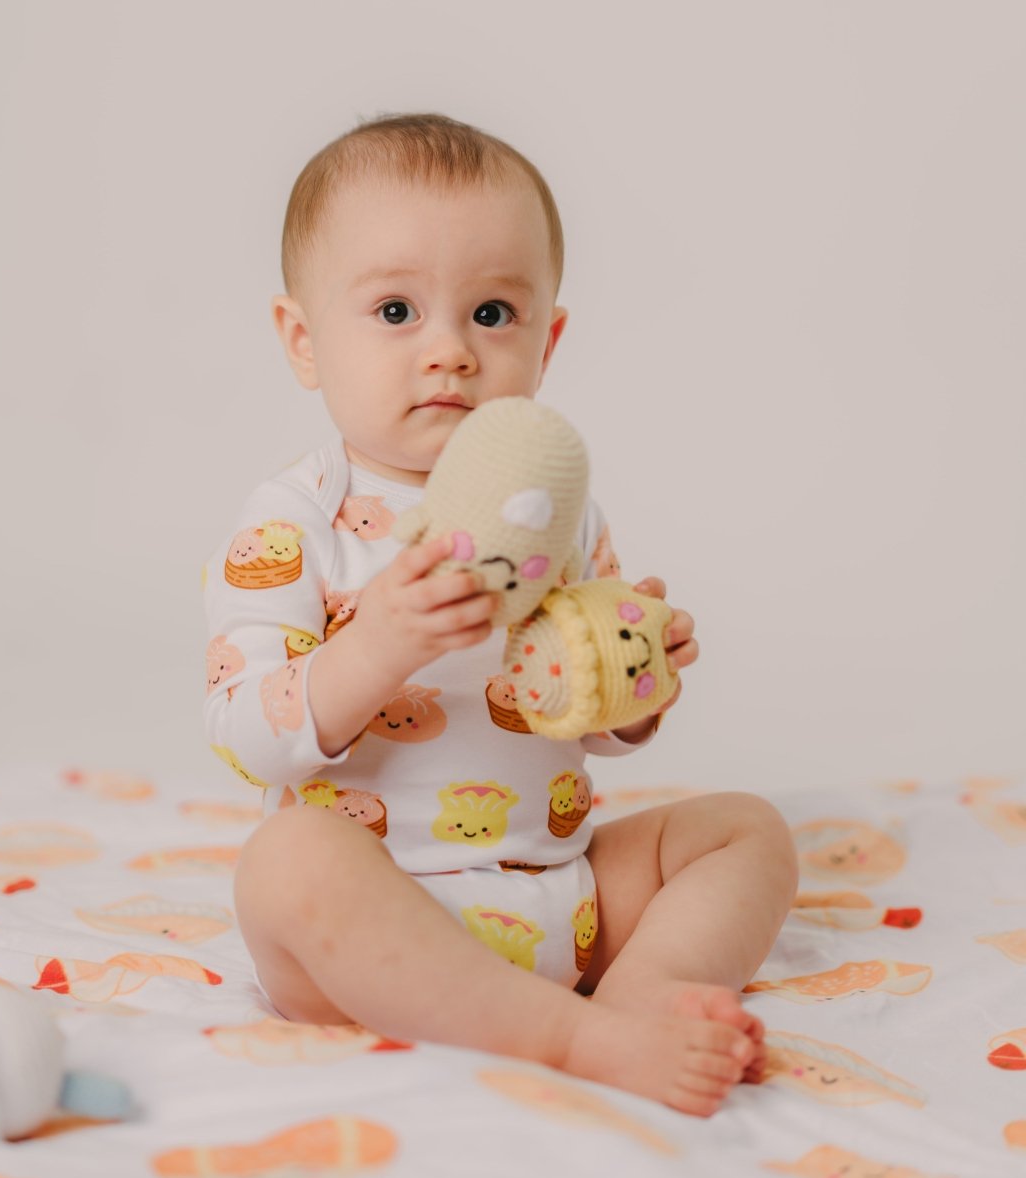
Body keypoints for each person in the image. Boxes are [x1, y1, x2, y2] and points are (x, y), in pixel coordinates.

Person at [203, 112, 798, 1118]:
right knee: (284, 865)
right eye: (395, 312)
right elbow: (247, 737)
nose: (450, 353)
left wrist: (632, 681)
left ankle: (646, 989)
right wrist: (383, 641)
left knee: (749, 833)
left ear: (547, 338)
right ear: (304, 341)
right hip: (374, 932)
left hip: (561, 901)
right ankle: (577, 1037)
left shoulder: (560, 511)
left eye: (491, 314)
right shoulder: (295, 519)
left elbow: (589, 730)